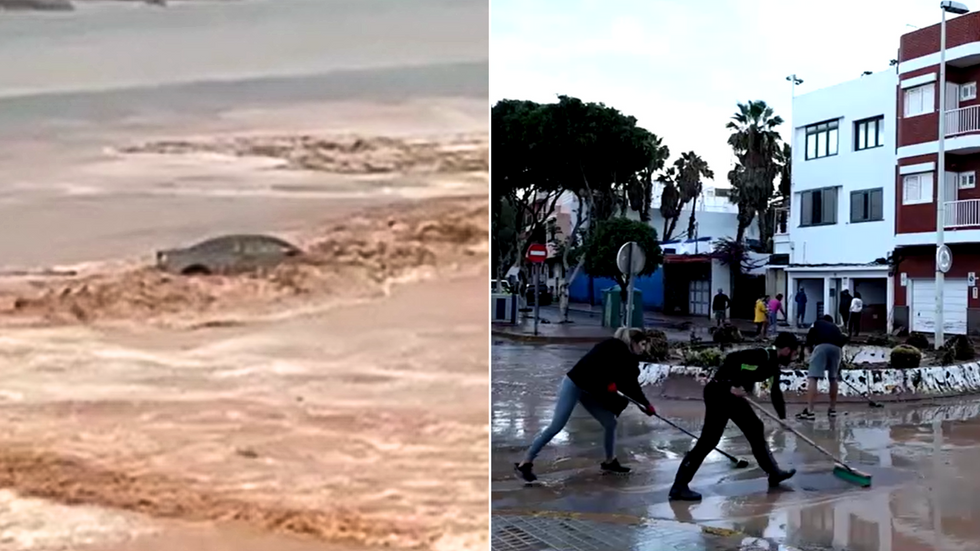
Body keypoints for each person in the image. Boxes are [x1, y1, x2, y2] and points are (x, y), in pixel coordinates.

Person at [668, 332, 800, 501]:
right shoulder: (762, 355)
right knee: (709, 440)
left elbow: (775, 393)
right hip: (719, 391)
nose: (794, 357)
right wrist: (731, 385)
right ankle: (679, 487)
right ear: (787, 350)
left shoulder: (774, 367)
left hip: (733, 397)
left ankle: (773, 473)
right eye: (794, 353)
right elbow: (731, 359)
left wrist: (782, 419)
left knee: (755, 427)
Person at [515, 327, 656, 483]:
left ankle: (610, 462)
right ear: (633, 342)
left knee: (610, 422)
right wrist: (606, 382)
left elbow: (632, 386)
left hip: (590, 391)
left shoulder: (630, 361)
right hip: (575, 384)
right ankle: (525, 463)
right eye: (642, 344)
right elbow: (594, 363)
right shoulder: (611, 346)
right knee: (557, 425)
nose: (643, 349)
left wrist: (645, 405)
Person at [796, 315, 847, 420]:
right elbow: (843, 339)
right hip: (837, 349)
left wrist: (810, 352)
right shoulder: (836, 327)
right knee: (833, 378)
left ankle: (810, 411)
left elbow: (809, 338)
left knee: (813, 378)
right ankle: (832, 409)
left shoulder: (817, 323)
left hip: (822, 346)